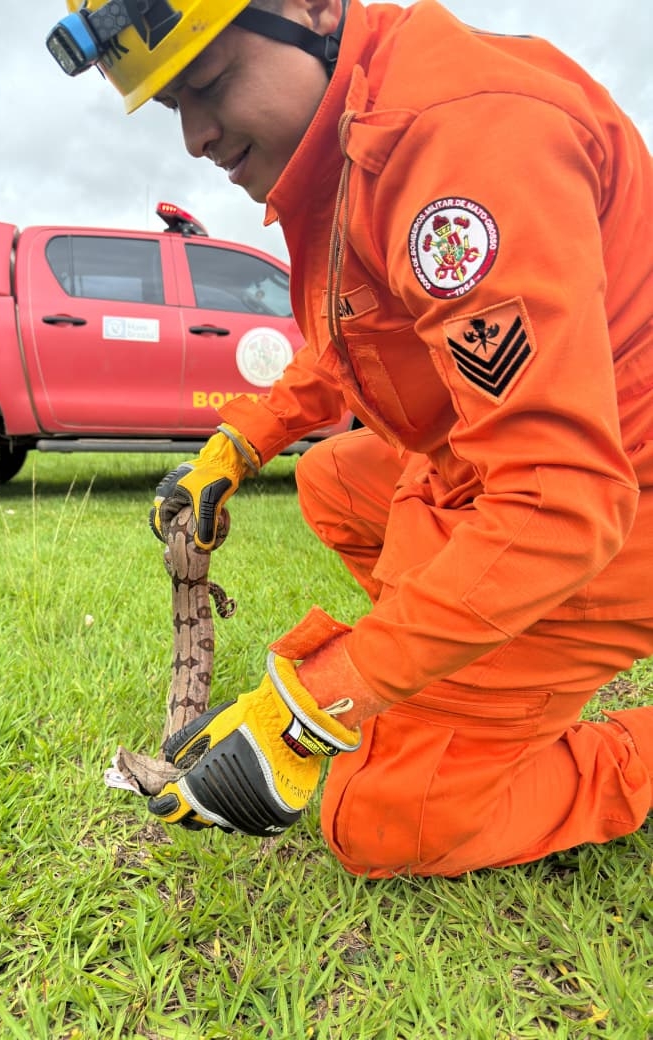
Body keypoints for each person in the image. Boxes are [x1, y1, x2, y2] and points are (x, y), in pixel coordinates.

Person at [47, 0, 653, 877]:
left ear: (312, 10)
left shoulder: (461, 150)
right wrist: (241, 441)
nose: (196, 137)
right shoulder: (353, 143)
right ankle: (465, 666)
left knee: (382, 824)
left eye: (209, 84)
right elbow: (364, 340)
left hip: (619, 506)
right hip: (495, 471)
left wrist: (317, 702)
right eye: (173, 103)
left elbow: (562, 498)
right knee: (332, 480)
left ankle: (526, 692)